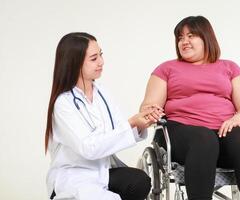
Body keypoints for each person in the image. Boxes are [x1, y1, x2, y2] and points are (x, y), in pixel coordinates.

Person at [140, 16, 240, 200]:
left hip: (223, 132)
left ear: (206, 38)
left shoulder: (229, 67)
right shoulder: (166, 69)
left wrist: (237, 120)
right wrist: (151, 110)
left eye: (190, 36)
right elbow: (149, 104)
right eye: (180, 37)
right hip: (180, 134)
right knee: (204, 138)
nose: (184, 42)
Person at [45, 32, 163, 200]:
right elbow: (89, 148)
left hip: (102, 172)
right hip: (75, 175)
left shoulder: (101, 93)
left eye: (100, 55)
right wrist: (131, 123)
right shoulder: (63, 103)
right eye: (94, 58)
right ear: (75, 63)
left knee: (139, 181)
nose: (101, 62)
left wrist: (142, 122)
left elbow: (118, 129)